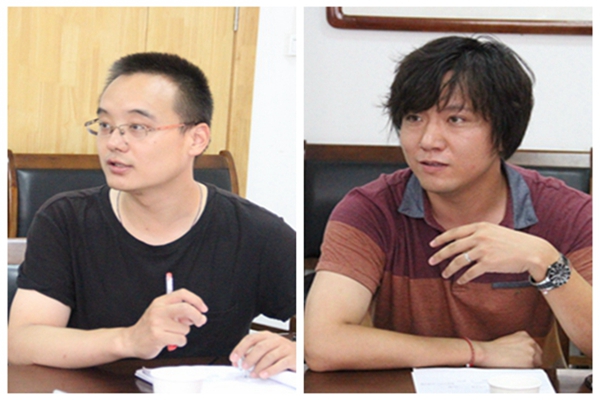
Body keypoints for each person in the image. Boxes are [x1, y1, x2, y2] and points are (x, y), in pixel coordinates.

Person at [304, 36, 591, 371]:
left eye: (456, 120)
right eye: (414, 118)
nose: (428, 141)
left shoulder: (568, 211)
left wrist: (543, 260)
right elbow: (322, 344)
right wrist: (478, 352)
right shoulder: (369, 210)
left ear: (504, 132)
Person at [8, 52, 296, 379]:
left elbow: (320, 327)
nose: (114, 142)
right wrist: (129, 340)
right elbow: (21, 342)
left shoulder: (257, 232)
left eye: (138, 127)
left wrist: (295, 348)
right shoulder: (65, 220)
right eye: (105, 125)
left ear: (196, 139)